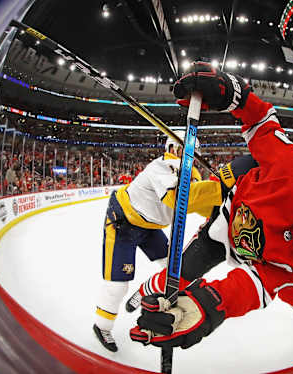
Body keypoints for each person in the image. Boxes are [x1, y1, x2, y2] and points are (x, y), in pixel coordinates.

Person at [126, 62, 293, 350]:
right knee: (180, 272)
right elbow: (262, 120)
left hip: (263, 260)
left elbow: (255, 286)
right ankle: (142, 291)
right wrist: (229, 91)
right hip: (227, 227)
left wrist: (209, 306)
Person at [93, 131, 224, 352]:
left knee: (174, 270)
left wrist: (224, 207)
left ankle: (144, 291)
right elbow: (177, 198)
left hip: (151, 228)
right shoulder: (163, 166)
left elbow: (201, 206)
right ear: (172, 148)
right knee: (117, 285)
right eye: (185, 151)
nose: (190, 156)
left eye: (193, 153)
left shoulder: (192, 174)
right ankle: (102, 325)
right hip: (124, 223)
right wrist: (220, 188)